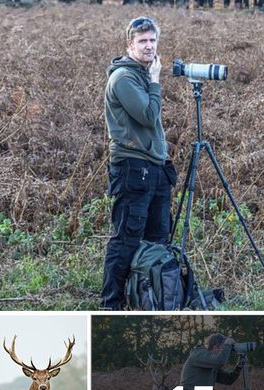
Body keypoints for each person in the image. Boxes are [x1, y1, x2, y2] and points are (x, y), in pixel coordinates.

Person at [101, 16, 178, 310]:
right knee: (126, 240)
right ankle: (112, 305)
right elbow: (147, 115)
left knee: (158, 238)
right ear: (130, 45)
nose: (149, 46)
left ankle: (149, 299)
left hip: (155, 167)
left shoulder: (142, 74)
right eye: (143, 41)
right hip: (133, 168)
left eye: (152, 40)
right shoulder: (124, 78)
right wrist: (156, 82)